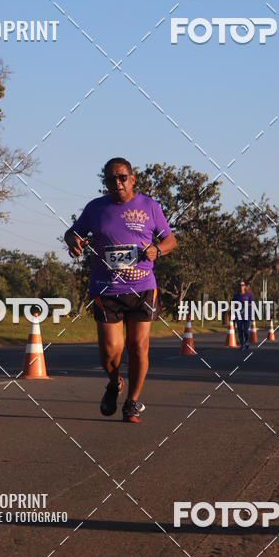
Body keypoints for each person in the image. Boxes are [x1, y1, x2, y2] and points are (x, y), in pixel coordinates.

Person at [64, 157, 177, 423]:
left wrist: (157, 250)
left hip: (142, 287)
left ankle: (132, 402)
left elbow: (170, 239)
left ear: (132, 178)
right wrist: (74, 241)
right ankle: (114, 382)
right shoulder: (95, 209)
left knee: (138, 347)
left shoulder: (150, 206)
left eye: (122, 177)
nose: (118, 183)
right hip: (107, 289)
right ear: (105, 182)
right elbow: (72, 232)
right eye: (111, 179)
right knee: (109, 353)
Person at [232, 279, 254, 351]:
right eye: (240, 285)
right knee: (240, 331)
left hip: (247, 315)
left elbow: (252, 304)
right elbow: (232, 305)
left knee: (246, 331)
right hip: (238, 315)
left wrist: (247, 304)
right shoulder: (236, 296)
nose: (241, 286)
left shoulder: (248, 295)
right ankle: (242, 345)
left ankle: (247, 341)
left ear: (245, 286)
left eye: (242, 285)